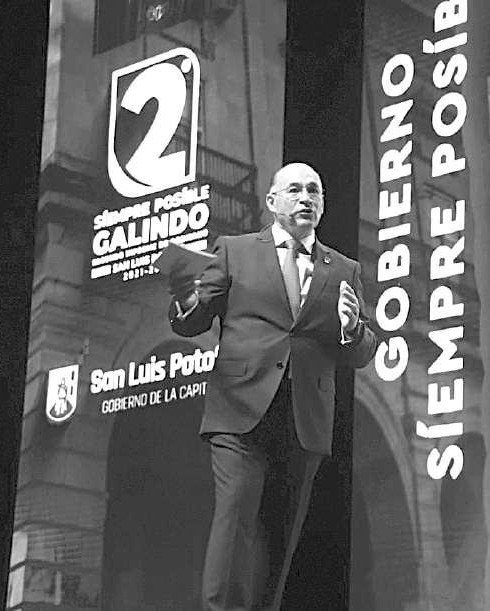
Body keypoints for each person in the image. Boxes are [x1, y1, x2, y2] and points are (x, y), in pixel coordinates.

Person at [167, 162, 378, 610]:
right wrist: (185, 297)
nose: (306, 198)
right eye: (295, 189)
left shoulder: (344, 269)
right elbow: (194, 320)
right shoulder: (235, 251)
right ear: (272, 201)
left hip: (304, 420)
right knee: (234, 518)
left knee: (279, 540)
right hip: (239, 410)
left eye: (314, 191)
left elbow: (361, 352)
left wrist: (351, 328)